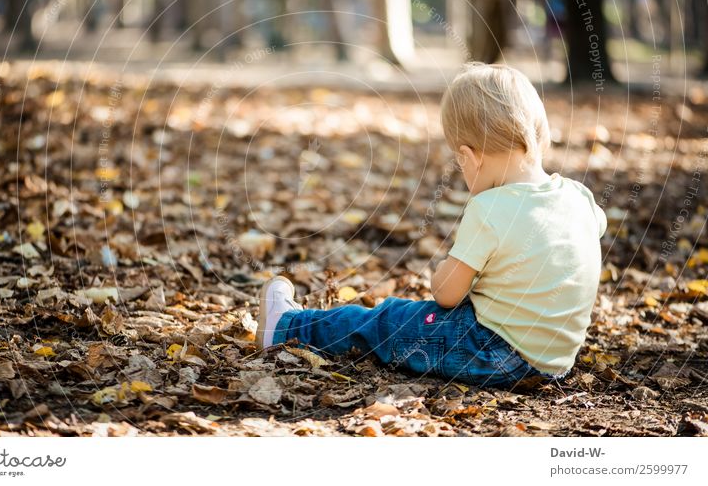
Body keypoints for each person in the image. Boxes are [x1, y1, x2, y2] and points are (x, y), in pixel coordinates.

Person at [255, 62, 607, 391]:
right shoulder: (579, 197)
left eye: (459, 161)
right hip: (554, 364)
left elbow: (447, 295)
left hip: (492, 354)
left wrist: (441, 273)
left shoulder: (490, 208)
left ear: (469, 156)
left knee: (387, 320)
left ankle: (287, 326)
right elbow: (583, 233)